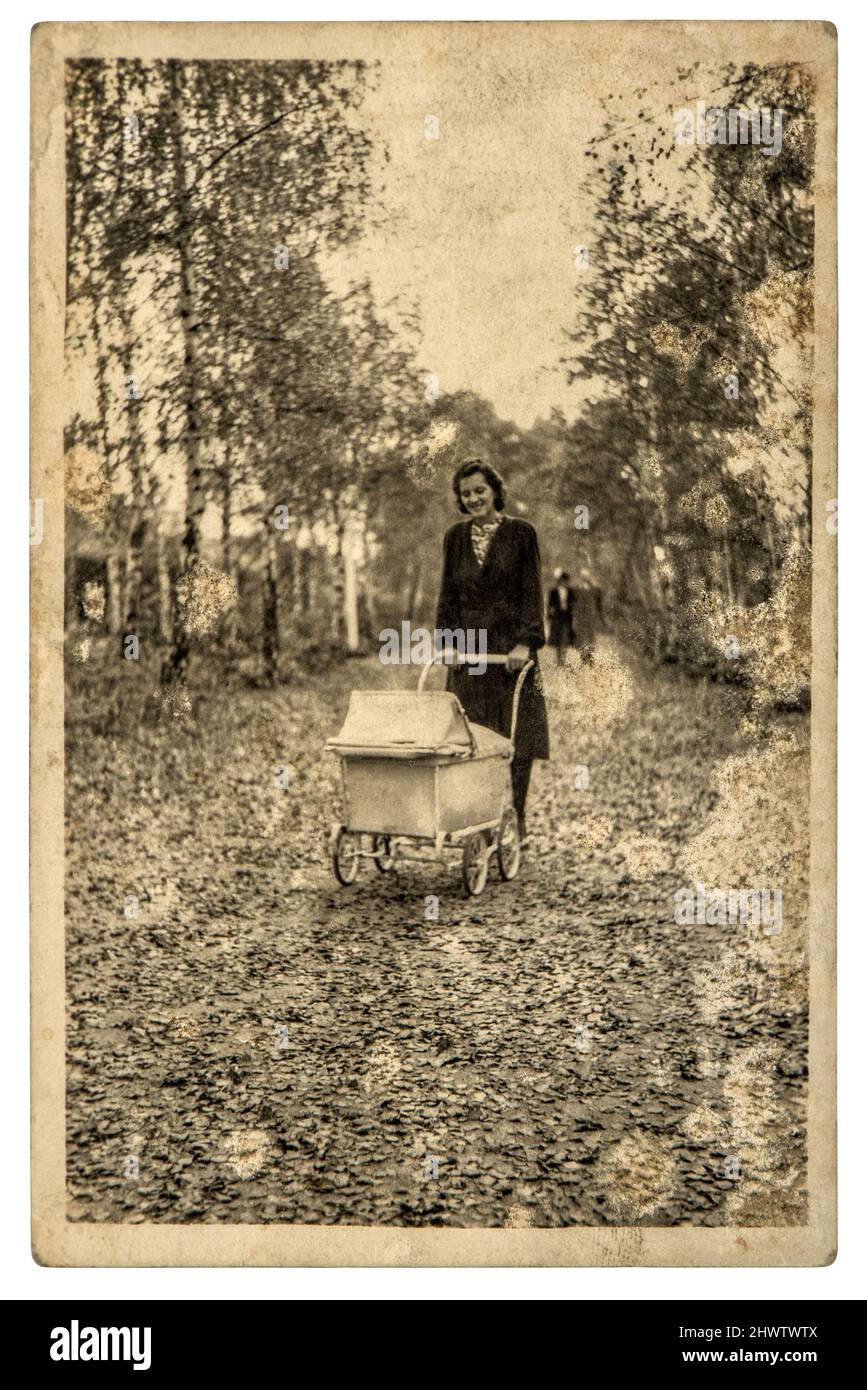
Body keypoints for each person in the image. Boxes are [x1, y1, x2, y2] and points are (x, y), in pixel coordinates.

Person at [435, 458, 550, 842]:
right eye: (466, 494)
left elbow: (532, 591)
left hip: (510, 656)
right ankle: (477, 819)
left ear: (495, 491)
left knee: (518, 740)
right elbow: (448, 597)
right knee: (470, 739)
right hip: (470, 657)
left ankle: (515, 816)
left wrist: (525, 642)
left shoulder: (521, 533)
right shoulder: (454, 538)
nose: (473, 499)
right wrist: (448, 644)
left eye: (480, 491)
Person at [546, 568, 576, 664]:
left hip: (567, 616)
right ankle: (558, 658)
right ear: (559, 581)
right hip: (557, 617)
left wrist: (572, 610)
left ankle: (564, 657)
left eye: (566, 581)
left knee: (566, 637)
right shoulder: (553, 591)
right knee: (557, 638)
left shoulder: (570, 591)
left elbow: (574, 602)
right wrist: (549, 615)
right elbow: (549, 604)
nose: (564, 583)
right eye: (562, 581)